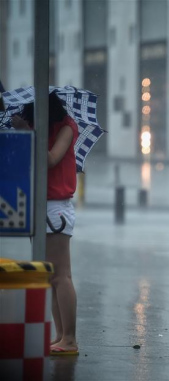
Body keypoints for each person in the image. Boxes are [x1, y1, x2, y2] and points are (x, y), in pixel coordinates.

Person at [12, 93, 80, 355]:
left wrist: (28, 133)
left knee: (61, 275)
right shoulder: (42, 130)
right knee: (52, 277)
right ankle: (61, 335)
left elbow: (51, 159)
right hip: (41, 205)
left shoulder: (66, 127)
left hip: (56, 208)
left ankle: (70, 338)